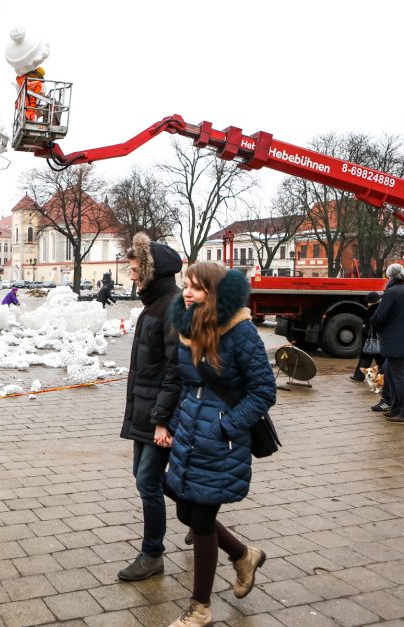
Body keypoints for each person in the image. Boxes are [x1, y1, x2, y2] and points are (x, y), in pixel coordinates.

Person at [164, 262, 276, 626]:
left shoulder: (241, 332)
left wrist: (227, 427)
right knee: (186, 511)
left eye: (196, 287)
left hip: (220, 439)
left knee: (201, 517)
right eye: (186, 285)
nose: (187, 292)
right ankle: (244, 555)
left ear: (213, 292)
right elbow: (185, 382)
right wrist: (178, 421)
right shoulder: (189, 325)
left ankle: (200, 608)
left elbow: (263, 391)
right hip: (190, 433)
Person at [117, 232, 184, 581]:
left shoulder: (173, 306)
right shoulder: (152, 304)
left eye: (134, 270)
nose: (130, 276)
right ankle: (198, 510)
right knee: (145, 477)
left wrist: (162, 421)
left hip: (159, 414)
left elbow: (177, 369)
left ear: (150, 272)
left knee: (147, 480)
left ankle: (153, 553)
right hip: (145, 408)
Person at [370, 263, 404, 425]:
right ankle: (396, 409)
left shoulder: (391, 293)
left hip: (394, 341)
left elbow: (379, 317)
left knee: (399, 376)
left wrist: (373, 320)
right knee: (391, 374)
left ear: (389, 276)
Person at [350, 291, 385, 381]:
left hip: (371, 338)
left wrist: (365, 328)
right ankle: (359, 376)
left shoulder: (372, 309)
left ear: (372, 301)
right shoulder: (382, 308)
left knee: (367, 356)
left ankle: (359, 376)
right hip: (379, 338)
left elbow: (369, 325)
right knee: (379, 358)